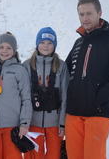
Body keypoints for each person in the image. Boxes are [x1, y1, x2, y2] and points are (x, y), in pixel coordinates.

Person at [65, 0, 109, 159]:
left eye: (89, 13)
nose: (85, 18)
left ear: (99, 13)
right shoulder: (78, 43)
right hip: (73, 113)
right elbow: (64, 73)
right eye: (81, 14)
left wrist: (99, 97)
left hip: (98, 112)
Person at [0, 33, 32, 159]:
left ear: (14, 50)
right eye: (1, 47)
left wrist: (24, 123)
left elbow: (26, 99)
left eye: (9, 48)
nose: (4, 51)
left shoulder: (20, 71)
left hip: (12, 129)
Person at [22, 27, 69, 159]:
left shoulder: (61, 66)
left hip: (54, 123)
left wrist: (62, 123)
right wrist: (23, 122)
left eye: (49, 43)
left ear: (54, 45)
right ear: (37, 44)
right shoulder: (26, 66)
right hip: (33, 122)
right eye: (42, 42)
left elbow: (65, 96)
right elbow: (23, 96)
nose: (46, 46)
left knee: (54, 154)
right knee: (34, 155)